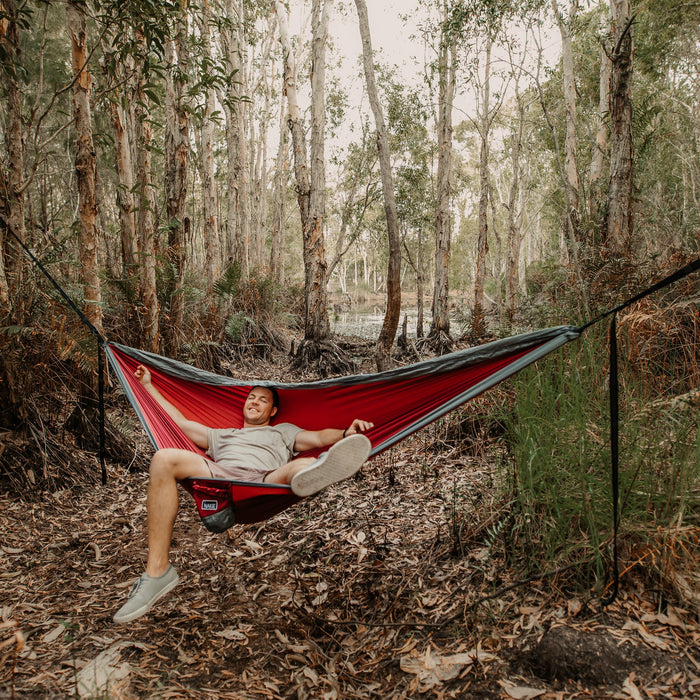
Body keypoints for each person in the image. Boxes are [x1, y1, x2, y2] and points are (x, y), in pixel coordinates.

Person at [114, 364, 373, 624]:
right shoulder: (222, 435)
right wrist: (148, 385)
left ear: (272, 411)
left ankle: (318, 471)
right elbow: (177, 423)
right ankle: (157, 572)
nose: (255, 401)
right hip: (218, 475)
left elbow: (317, 438)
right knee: (163, 458)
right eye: (251, 397)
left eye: (263, 400)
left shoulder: (283, 431)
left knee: (301, 465)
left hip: (264, 479)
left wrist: (344, 434)